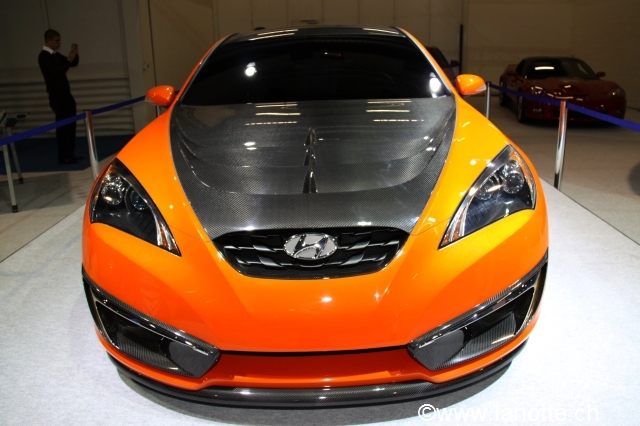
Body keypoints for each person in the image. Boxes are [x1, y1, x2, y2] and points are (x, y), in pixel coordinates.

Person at [38, 29, 80, 164]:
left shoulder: (55, 55)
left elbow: (71, 63)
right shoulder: (44, 56)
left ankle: (70, 153)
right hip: (57, 96)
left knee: (71, 124)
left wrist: (74, 55)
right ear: (49, 40)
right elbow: (57, 71)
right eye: (56, 41)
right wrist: (68, 61)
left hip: (65, 94)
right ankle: (63, 155)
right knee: (63, 127)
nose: (59, 43)